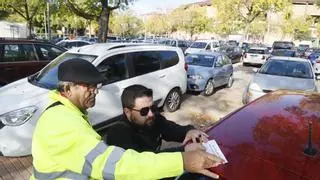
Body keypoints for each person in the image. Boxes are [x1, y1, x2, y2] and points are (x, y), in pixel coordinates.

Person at [31, 58, 224, 180]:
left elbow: (170, 127)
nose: (95, 91)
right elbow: (120, 166)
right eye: (88, 87)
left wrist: (189, 131)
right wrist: (182, 159)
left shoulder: (72, 113)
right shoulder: (62, 123)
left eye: (96, 85)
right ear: (67, 89)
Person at [106, 85, 208, 153]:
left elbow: (172, 129)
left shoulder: (154, 119)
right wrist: (183, 150)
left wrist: (189, 131)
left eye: (152, 108)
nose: (150, 114)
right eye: (144, 111)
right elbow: (144, 164)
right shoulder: (118, 134)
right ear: (127, 111)